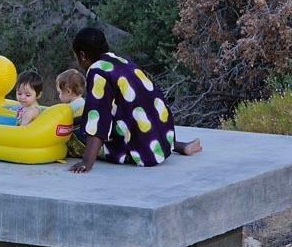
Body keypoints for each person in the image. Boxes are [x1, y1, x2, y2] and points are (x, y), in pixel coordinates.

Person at [68, 27, 202, 174]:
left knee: (72, 138)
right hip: (161, 140)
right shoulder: (124, 63)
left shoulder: (97, 72)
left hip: (141, 153)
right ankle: (181, 146)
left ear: (82, 56)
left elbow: (98, 120)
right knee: (134, 121)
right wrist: (78, 120)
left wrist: (87, 162)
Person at [56, 68, 87, 157]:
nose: (59, 96)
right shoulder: (84, 103)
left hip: (79, 142)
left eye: (60, 92)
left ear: (69, 91)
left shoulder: (70, 108)